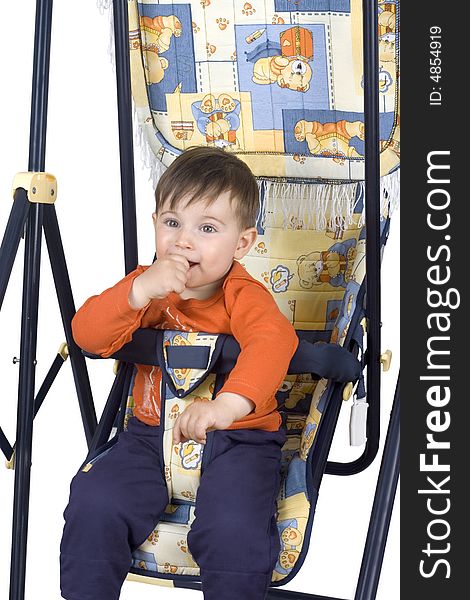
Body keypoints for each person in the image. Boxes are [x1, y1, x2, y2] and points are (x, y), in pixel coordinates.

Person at [60, 146, 299, 600]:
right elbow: (86, 336)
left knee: (232, 529)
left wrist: (228, 405)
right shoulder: (147, 289)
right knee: (95, 503)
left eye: (207, 229)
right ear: (154, 225)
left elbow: (273, 343)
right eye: (172, 223)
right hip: (148, 437)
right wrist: (136, 292)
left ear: (242, 243)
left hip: (238, 442)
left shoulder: (243, 296)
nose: (184, 241)